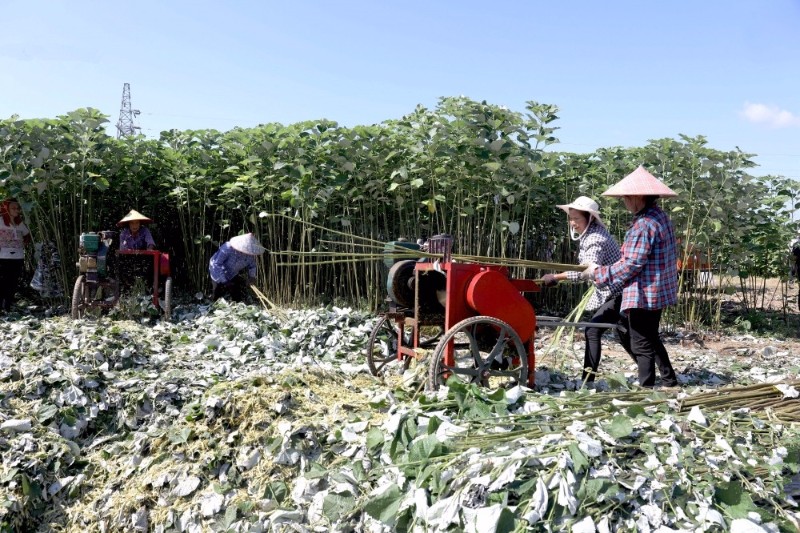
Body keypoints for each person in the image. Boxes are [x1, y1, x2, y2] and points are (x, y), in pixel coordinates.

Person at [582, 166, 680, 389]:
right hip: (658, 290)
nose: (624, 201)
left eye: (626, 197)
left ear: (637, 197)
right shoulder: (660, 217)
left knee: (641, 343)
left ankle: (645, 389)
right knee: (651, 336)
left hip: (643, 292)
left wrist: (598, 273)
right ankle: (669, 381)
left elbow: (632, 264)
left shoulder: (643, 225)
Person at [540, 196, 622, 383]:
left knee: (592, 331)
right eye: (571, 218)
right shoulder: (590, 234)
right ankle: (665, 378)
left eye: (577, 219)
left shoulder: (595, 239)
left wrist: (556, 277)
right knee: (631, 336)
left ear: (590, 218)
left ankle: (588, 381)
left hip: (619, 292)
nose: (573, 223)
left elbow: (587, 272)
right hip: (611, 291)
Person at [209, 233, 266, 301]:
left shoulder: (250, 254)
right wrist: (225, 281)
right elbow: (216, 264)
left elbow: (252, 266)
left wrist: (252, 277)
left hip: (233, 273)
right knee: (217, 294)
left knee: (236, 295)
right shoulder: (227, 248)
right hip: (217, 271)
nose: (246, 253)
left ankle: (236, 307)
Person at [0, 198, 31, 311]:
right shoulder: (0, 221)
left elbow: (27, 235)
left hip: (18, 257)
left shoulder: (19, 223)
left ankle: (7, 306)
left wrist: (24, 242)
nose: (16, 210)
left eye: (18, 208)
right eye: (13, 208)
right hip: (3, 257)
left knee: (12, 283)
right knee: (2, 283)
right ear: (6, 209)